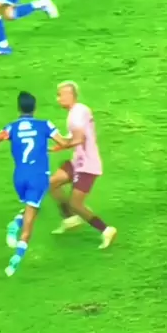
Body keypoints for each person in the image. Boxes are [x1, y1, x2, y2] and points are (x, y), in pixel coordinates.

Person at [0, 92, 73, 277]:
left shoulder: (11, 128)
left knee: (32, 208)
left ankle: (16, 223)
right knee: (29, 225)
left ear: (19, 108)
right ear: (34, 108)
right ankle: (15, 259)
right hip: (38, 177)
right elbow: (64, 143)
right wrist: (78, 138)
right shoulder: (45, 125)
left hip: (19, 177)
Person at [50, 81, 117, 249]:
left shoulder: (76, 114)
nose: (58, 99)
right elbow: (74, 137)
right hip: (77, 161)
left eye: (60, 95)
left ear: (70, 95)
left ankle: (106, 230)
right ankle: (70, 219)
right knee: (52, 183)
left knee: (76, 204)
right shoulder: (78, 111)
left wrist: (59, 140)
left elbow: (79, 139)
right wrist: (61, 144)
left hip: (87, 165)